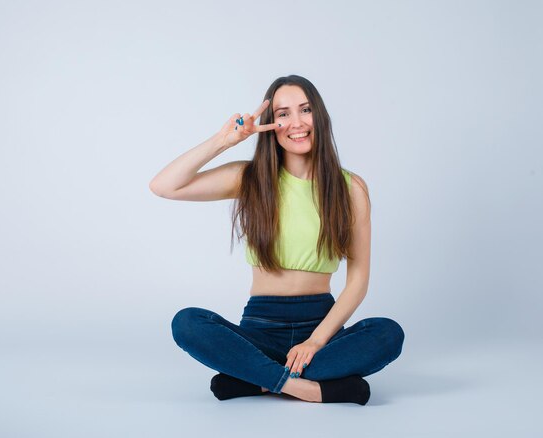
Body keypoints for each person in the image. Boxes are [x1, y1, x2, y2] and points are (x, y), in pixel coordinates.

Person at [149, 74, 404, 404]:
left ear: (320, 116)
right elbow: (164, 186)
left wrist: (314, 342)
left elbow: (357, 281)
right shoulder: (251, 178)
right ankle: (309, 388)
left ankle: (255, 378)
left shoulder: (351, 188)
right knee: (187, 323)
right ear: (271, 124)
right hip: (260, 329)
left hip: (322, 329)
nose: (296, 122)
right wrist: (223, 141)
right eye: (283, 114)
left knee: (387, 333)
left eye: (305, 110)